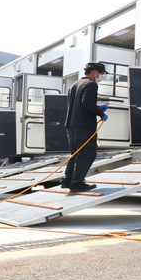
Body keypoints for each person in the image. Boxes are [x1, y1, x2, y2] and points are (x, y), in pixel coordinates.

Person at [61, 62, 109, 193]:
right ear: (94, 72)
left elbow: (80, 104)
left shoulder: (74, 85)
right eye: (101, 74)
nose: (102, 76)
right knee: (87, 154)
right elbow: (86, 102)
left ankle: (67, 179)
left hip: (71, 125)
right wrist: (101, 113)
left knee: (75, 153)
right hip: (84, 125)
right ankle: (77, 182)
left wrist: (97, 108)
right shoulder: (91, 84)